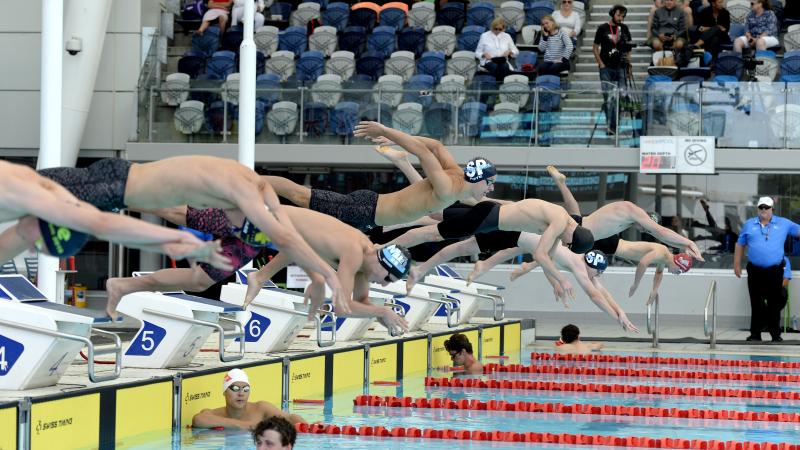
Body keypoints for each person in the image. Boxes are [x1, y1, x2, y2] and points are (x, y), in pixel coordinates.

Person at [15, 156, 344, 319]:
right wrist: (325, 275)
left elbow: (288, 240)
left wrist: (311, 276)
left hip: (247, 236)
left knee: (201, 281)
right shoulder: (243, 192)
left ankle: (123, 286)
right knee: (173, 212)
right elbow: (287, 238)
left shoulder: (267, 200)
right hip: (117, 185)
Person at [0, 160, 229, 271]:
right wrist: (178, 239)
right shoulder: (26, 195)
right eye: (38, 244)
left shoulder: (58, 199)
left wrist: (167, 245)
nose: (30, 248)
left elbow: (104, 227)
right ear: (55, 221)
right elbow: (102, 225)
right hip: (111, 182)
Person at [272, 124, 497, 231]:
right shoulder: (447, 187)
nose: (491, 189)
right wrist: (387, 132)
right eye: (490, 184)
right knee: (301, 196)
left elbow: (436, 146)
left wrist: (395, 140)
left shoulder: (457, 175)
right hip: (364, 210)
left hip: (369, 218)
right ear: (479, 179)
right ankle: (254, 182)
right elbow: (424, 152)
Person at [384, 198, 595, 300]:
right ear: (573, 237)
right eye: (569, 244)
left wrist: (554, 282)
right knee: (431, 231)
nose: (565, 245)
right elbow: (540, 254)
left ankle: (394, 233)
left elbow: (545, 258)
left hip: (491, 219)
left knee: (437, 219)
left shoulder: (562, 225)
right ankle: (384, 244)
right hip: (487, 218)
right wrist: (563, 279)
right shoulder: (559, 221)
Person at [243, 206, 412, 333]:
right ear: (383, 263)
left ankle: (259, 277)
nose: (383, 285)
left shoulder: (363, 264)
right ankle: (259, 277)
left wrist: (381, 317)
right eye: (388, 279)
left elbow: (361, 303)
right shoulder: (354, 252)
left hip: (277, 230)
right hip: (259, 220)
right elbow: (341, 308)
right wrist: (381, 310)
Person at [463, 234, 639, 331]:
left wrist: (621, 312)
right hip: (530, 238)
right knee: (478, 241)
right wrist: (616, 318)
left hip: (535, 244)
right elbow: (595, 296)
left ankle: (495, 265)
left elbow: (603, 292)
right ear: (592, 266)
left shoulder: (580, 262)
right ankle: (485, 264)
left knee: (511, 248)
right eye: (599, 272)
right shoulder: (579, 266)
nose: (598, 276)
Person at [547, 166, 704, 260]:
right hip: (578, 233)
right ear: (646, 219)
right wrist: (688, 242)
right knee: (547, 248)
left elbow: (659, 235)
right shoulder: (632, 211)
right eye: (644, 227)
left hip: (582, 227)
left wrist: (683, 246)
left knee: (575, 214)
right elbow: (661, 232)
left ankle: (561, 183)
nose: (642, 230)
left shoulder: (630, 215)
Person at [734, 196, 799, 342]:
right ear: (758, 209)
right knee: (755, 302)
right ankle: (755, 334)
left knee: (774, 303)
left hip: (774, 271)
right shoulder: (749, 224)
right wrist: (737, 264)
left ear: (772, 209)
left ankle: (775, 335)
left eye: (766, 207)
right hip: (755, 270)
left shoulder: (784, 223)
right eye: (761, 207)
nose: (763, 210)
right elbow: (740, 244)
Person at [192, 369, 305, 430]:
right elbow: (198, 420)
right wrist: (245, 425)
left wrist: (307, 426)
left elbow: (290, 418)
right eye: (235, 388)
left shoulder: (261, 408)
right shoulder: (213, 414)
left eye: (246, 389)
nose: (241, 393)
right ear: (225, 391)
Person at [593, 5, 632, 136]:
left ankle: (615, 123)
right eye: (618, 15)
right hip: (606, 67)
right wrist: (601, 64)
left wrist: (629, 65)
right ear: (612, 14)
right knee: (608, 97)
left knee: (621, 96)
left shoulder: (625, 28)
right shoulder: (602, 28)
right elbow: (595, 47)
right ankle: (611, 125)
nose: (620, 18)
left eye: (622, 16)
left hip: (621, 66)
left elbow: (628, 49)